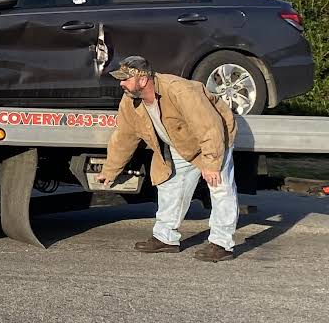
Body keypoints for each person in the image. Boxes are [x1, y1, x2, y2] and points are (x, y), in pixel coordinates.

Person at [95, 54, 238, 262]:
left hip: (213, 141)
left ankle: (222, 244)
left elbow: (209, 126)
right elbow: (124, 137)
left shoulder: (180, 91)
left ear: (143, 80)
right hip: (180, 143)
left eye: (125, 79)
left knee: (220, 187)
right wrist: (110, 170)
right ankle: (166, 238)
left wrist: (211, 163)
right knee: (171, 186)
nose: (121, 84)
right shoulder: (130, 101)